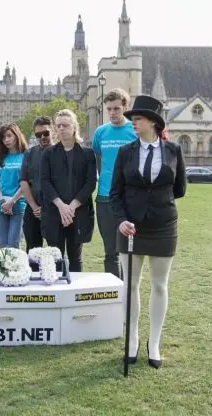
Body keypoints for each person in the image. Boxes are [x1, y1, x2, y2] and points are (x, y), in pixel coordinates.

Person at [110, 95, 186, 369]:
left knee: (159, 285)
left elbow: (179, 189)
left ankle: (154, 342)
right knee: (130, 284)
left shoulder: (174, 150)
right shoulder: (125, 152)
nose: (133, 122)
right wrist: (120, 219)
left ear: (153, 122)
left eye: (138, 118)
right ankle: (132, 339)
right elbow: (114, 192)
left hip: (163, 226)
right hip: (130, 226)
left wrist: (156, 205)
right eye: (132, 119)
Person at [39, 110, 96, 272]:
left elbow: (90, 183)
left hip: (78, 214)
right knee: (55, 259)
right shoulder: (48, 153)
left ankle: (74, 295)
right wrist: (61, 206)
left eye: (65, 125)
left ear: (74, 127)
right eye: (58, 126)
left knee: (75, 258)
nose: (62, 128)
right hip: (54, 213)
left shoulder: (87, 154)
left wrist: (71, 207)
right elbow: (45, 182)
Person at [92, 88, 137, 278]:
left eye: (116, 109)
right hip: (104, 198)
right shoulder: (100, 133)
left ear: (126, 107)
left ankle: (129, 295)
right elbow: (98, 160)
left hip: (129, 199)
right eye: (109, 109)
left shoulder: (134, 131)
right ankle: (114, 295)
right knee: (110, 252)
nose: (112, 113)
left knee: (129, 252)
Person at [20, 116, 54, 254]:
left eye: (46, 133)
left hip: (54, 210)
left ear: (53, 131)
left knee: (55, 253)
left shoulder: (60, 152)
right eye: (38, 135)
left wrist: (46, 208)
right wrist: (34, 207)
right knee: (33, 253)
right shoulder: (29, 153)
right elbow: (24, 181)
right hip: (33, 210)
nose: (42, 137)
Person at [0, 123, 28, 249]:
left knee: (13, 245)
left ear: (16, 136)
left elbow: (26, 183)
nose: (6, 140)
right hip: (0, 206)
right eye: (3, 137)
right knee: (3, 246)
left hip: (18, 205)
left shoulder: (25, 156)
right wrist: (3, 201)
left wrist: (12, 201)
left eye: (9, 136)